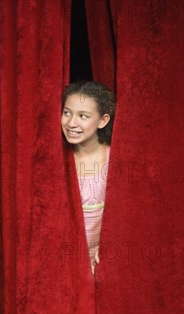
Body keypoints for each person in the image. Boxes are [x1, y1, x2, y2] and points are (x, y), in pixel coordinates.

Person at [60, 81, 116, 275]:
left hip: (104, 262)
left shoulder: (115, 159)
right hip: (64, 261)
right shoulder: (54, 161)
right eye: (67, 113)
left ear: (103, 120)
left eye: (82, 116)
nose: (71, 123)